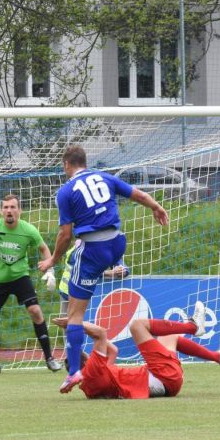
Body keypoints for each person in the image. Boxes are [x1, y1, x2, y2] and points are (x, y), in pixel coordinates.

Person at [39, 144, 169, 393]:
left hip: (93, 248)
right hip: (118, 243)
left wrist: (52, 261)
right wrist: (156, 207)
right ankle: (114, 268)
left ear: (67, 165)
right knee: (89, 257)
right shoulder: (106, 177)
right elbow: (139, 195)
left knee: (75, 313)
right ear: (85, 162)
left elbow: (65, 234)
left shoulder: (66, 191)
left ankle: (74, 370)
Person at [0, 194, 62, 374]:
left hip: (19, 277)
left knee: (35, 311)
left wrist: (50, 271)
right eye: (6, 207)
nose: (9, 211)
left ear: (19, 210)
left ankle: (50, 358)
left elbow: (43, 248)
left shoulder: (29, 230)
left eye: (13, 207)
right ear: (1, 211)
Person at [52, 303, 220, 399]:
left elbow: (113, 350)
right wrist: (75, 324)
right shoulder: (93, 370)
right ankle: (192, 327)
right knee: (137, 326)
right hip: (163, 376)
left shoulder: (90, 386)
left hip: (168, 384)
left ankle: (218, 356)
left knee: (170, 339)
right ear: (85, 361)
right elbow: (101, 334)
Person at [57, 239, 129, 315]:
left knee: (79, 322)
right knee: (70, 322)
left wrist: (122, 271)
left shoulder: (108, 245)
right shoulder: (81, 247)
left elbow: (122, 265)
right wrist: (110, 273)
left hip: (89, 292)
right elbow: (84, 270)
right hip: (70, 291)